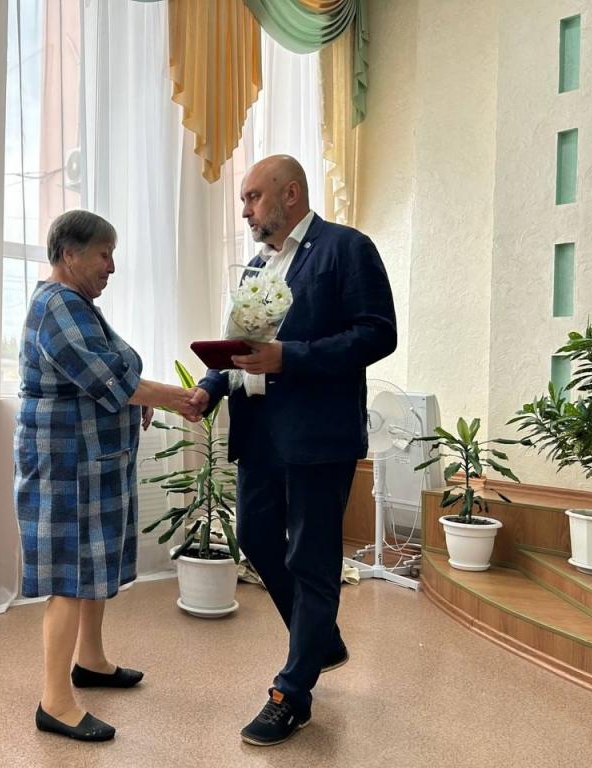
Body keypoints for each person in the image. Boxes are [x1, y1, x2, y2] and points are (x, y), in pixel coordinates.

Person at [190, 155, 397, 746]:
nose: (245, 210)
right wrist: (209, 387)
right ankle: (321, 639)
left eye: (253, 196)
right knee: (256, 538)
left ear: (291, 194)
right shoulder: (258, 266)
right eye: (244, 200)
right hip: (259, 430)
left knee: (311, 558)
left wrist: (291, 357)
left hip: (317, 434)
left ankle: (292, 692)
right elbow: (242, 347)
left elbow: (378, 332)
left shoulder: (346, 248)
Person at [15, 209, 201, 742]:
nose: (112, 266)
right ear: (69, 254)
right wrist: (177, 398)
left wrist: (138, 398)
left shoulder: (77, 304)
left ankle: (91, 661)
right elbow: (109, 379)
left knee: (92, 562)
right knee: (69, 576)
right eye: (104, 254)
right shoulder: (57, 306)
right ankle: (55, 702)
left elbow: (115, 373)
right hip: (66, 464)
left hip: (90, 459)